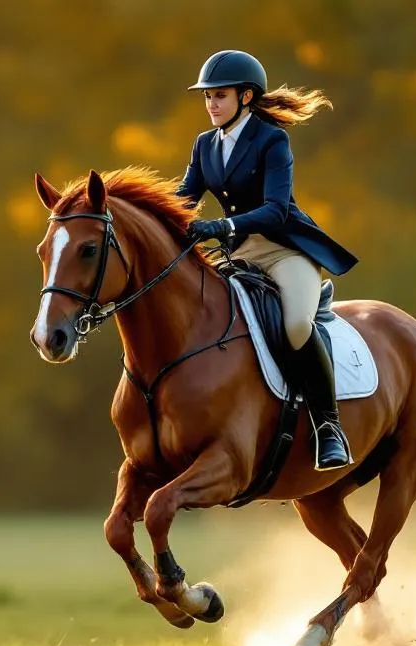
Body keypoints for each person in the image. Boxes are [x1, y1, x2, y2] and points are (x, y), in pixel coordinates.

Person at [177, 49, 358, 471]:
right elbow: (184, 199)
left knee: (296, 324)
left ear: (245, 97)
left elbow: (276, 210)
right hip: (240, 257)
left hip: (284, 251)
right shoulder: (205, 144)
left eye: (219, 96)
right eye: (207, 98)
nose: (211, 105)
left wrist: (221, 227)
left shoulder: (271, 140)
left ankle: (329, 427)